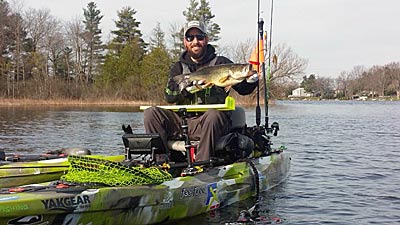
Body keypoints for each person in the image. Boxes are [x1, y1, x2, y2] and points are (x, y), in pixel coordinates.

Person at [144, 20, 258, 162]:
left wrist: (252, 78)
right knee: (151, 113)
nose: (195, 41)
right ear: (185, 42)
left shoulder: (221, 63)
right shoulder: (178, 68)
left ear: (206, 39)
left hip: (212, 122)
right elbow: (169, 96)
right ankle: (162, 162)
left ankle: (201, 165)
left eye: (199, 37)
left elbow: (244, 89)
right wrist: (190, 88)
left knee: (213, 115)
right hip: (184, 122)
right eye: (190, 38)